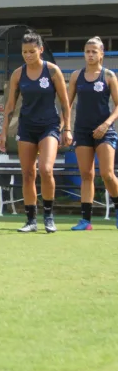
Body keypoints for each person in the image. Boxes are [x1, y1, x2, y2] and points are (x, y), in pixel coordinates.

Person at [0, 31, 71, 233]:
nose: (28, 55)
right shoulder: (18, 74)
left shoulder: (53, 71)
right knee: (28, 173)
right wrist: (3, 133)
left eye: (32, 51)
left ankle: (49, 216)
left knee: (46, 170)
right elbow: (10, 106)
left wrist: (67, 128)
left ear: (40, 50)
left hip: (49, 126)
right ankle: (31, 220)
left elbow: (65, 104)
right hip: (27, 127)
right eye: (24, 52)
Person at [66, 36, 118, 230]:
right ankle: (86, 221)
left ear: (101, 54)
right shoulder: (76, 76)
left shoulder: (109, 76)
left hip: (104, 132)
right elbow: (67, 105)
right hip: (82, 131)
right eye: (87, 51)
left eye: (94, 51)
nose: (90, 55)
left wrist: (105, 125)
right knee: (86, 175)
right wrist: (67, 128)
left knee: (107, 174)